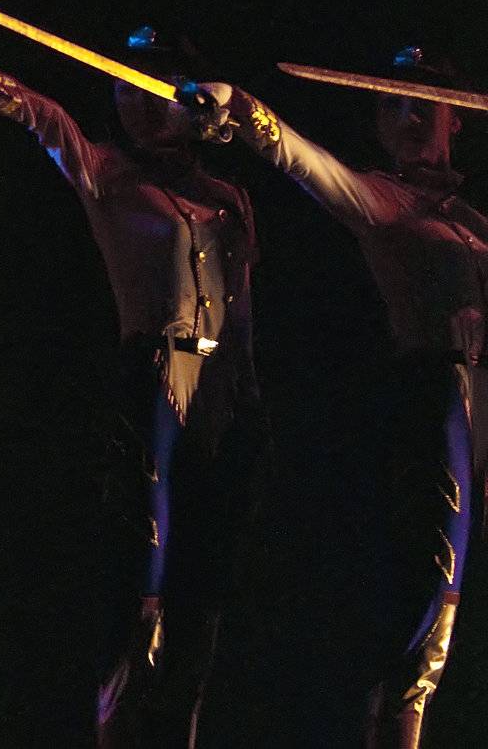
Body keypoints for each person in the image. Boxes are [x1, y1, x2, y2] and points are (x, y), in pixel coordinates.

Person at [0, 29, 263, 746]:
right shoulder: (106, 172)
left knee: (200, 605)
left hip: (220, 401)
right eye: (124, 81)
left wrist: (244, 409)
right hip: (148, 385)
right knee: (135, 599)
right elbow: (37, 112)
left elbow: (242, 320)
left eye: (157, 83)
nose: (139, 99)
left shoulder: (228, 198)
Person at [206, 47, 487, 748]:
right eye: (392, 102)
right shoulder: (381, 199)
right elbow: (307, 164)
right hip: (436, 397)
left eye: (424, 98)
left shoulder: (475, 221)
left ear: (461, 117)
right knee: (430, 597)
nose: (410, 112)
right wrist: (246, 115)